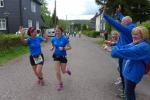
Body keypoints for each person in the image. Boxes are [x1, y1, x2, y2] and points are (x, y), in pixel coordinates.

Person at [106, 26, 150, 100]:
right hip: (130, 73)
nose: (133, 36)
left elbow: (127, 52)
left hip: (133, 74)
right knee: (128, 92)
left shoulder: (143, 46)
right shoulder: (137, 43)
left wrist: (112, 50)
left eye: (136, 34)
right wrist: (114, 48)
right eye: (133, 34)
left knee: (129, 94)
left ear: (143, 35)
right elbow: (125, 47)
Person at [103, 5, 136, 92]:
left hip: (126, 54)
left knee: (124, 73)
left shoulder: (129, 29)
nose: (121, 22)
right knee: (121, 71)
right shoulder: (128, 25)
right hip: (123, 52)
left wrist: (105, 16)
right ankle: (125, 89)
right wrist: (118, 13)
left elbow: (116, 24)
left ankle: (126, 91)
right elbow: (123, 18)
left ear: (126, 22)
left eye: (122, 22)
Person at [50, 26, 72, 91]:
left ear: (61, 31)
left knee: (63, 71)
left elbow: (70, 47)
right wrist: (52, 48)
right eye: (56, 31)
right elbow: (52, 45)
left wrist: (63, 48)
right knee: (57, 71)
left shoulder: (65, 39)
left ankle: (67, 70)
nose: (57, 32)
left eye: (58, 31)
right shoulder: (54, 39)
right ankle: (60, 83)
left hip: (63, 56)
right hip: (56, 56)